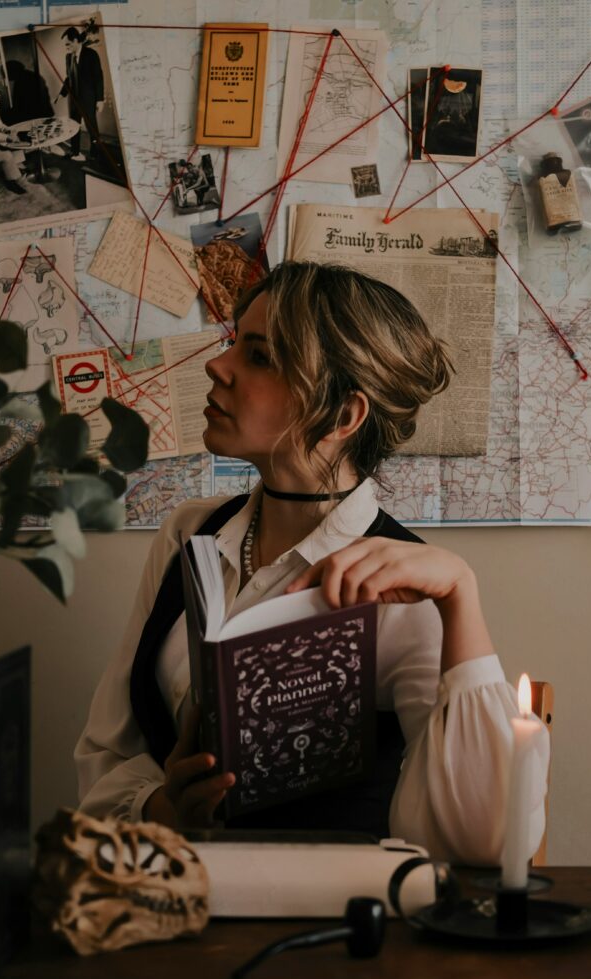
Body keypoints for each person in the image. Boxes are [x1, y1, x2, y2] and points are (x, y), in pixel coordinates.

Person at [75, 261, 550, 865]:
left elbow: (485, 843)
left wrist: (462, 591)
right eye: (231, 346)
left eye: (260, 357)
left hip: (330, 927)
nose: (216, 366)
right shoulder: (187, 535)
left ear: (342, 416)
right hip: (176, 904)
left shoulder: (407, 593)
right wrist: (163, 811)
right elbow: (106, 753)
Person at [55, 27, 104, 162]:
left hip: (88, 99)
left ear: (76, 40)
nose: (66, 47)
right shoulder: (68, 57)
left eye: (68, 44)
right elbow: (68, 78)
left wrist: (100, 99)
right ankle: (74, 151)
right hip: (74, 100)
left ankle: (95, 154)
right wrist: (62, 94)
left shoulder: (91, 54)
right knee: (73, 126)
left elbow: (98, 77)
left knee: (92, 128)